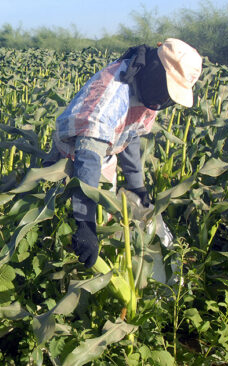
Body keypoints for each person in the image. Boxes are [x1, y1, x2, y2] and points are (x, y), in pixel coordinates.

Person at [45, 38, 202, 268]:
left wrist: (136, 185)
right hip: (71, 159)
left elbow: (131, 135)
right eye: (166, 91)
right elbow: (87, 161)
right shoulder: (110, 98)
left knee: (106, 220)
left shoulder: (145, 86)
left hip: (104, 156)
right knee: (65, 226)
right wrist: (85, 223)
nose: (164, 100)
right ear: (156, 73)